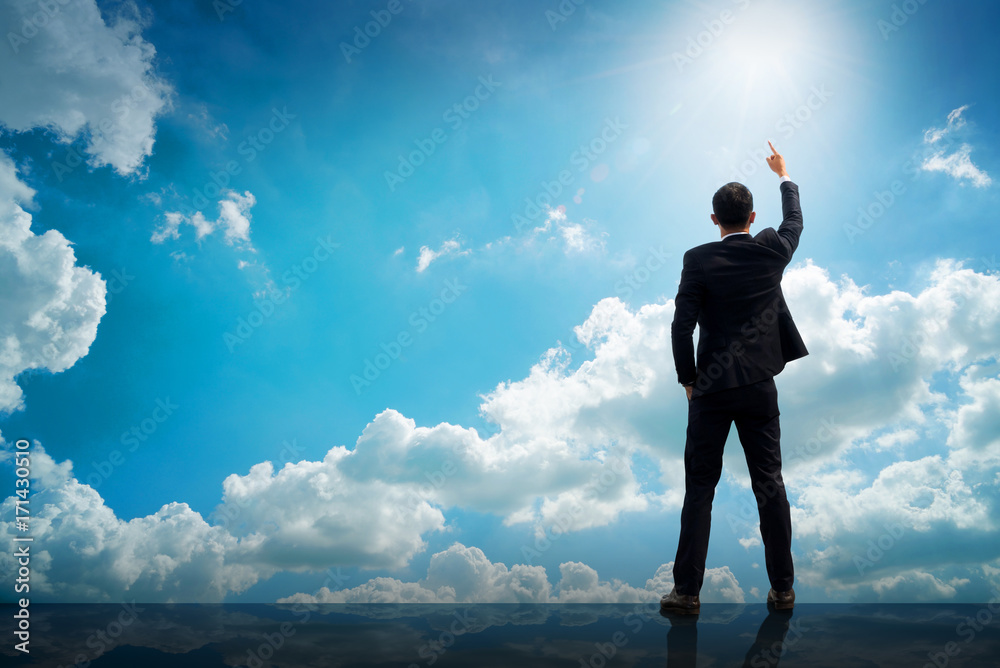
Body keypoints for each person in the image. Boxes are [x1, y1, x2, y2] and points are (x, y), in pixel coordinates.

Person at [660, 141, 807, 615]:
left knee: (700, 489)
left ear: (714, 220)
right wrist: (783, 174)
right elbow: (793, 224)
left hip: (711, 389)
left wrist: (688, 380)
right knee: (770, 485)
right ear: (750, 216)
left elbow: (682, 325)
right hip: (760, 386)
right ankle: (783, 589)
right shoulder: (771, 253)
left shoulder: (697, 259)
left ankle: (686, 594)